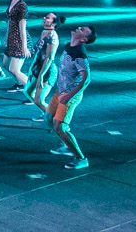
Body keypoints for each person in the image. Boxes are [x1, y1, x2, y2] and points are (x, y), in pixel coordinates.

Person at [48, 24, 96, 170]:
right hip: (60, 91)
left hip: (69, 95)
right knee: (48, 118)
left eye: (82, 30)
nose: (79, 27)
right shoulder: (69, 46)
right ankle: (66, 144)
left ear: (84, 39)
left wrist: (69, 96)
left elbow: (86, 79)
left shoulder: (79, 55)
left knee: (60, 127)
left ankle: (81, 158)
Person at [24, 12, 64, 115]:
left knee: (39, 100)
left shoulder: (52, 36)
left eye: (48, 18)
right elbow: (38, 54)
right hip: (39, 68)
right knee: (28, 91)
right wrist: (32, 70)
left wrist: (41, 76)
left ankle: (54, 120)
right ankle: (47, 114)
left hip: (47, 71)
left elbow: (49, 58)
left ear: (53, 23)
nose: (44, 18)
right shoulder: (44, 32)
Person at [3, 0, 31, 88]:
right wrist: (6, 38)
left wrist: (24, 47)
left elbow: (22, 28)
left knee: (14, 69)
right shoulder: (12, 2)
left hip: (19, 40)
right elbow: (10, 22)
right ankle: (19, 83)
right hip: (11, 38)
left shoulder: (21, 5)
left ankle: (33, 90)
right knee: (5, 65)